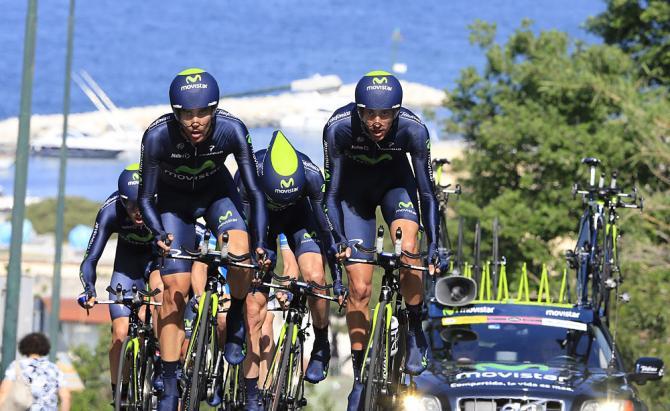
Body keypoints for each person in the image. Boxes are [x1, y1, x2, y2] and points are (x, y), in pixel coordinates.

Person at [138, 68, 269, 411]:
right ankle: (169, 385)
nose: (195, 122)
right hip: (172, 206)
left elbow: (254, 191)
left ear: (214, 110)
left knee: (240, 251)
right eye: (186, 114)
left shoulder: (232, 129)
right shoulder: (156, 136)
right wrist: (158, 233)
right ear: (175, 113)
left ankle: (237, 312)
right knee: (175, 290)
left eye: (202, 113)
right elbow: (146, 198)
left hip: (216, 196)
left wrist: (259, 241)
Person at [322, 70, 446, 409]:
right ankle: (360, 376)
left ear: (396, 112)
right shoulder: (338, 128)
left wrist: (433, 241)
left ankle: (414, 327)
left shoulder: (413, 129)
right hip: (353, 198)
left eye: (386, 114)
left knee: (409, 249)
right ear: (358, 111)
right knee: (359, 287)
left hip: (396, 188)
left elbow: (427, 192)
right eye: (370, 114)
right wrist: (336, 238)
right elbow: (330, 194)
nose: (377, 122)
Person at [236, 130, 341, 410]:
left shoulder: (311, 175)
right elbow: (245, 231)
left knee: (316, 278)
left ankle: (321, 341)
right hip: (262, 226)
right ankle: (252, 393)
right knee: (253, 311)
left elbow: (327, 234)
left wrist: (339, 279)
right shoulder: (249, 173)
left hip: (300, 222)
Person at [76, 164, 162, 399]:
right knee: (120, 332)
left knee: (157, 299)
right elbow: (90, 259)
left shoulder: (163, 203)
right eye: (130, 205)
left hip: (157, 262)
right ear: (121, 201)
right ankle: (120, 393)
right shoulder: (110, 211)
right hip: (128, 265)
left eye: (140, 204)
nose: (136, 211)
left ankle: (162, 362)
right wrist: (89, 288)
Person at [0, 333, 71, 411]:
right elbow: (66, 397)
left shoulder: (16, 366)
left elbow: (4, 392)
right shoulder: (54, 368)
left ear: (23, 346)